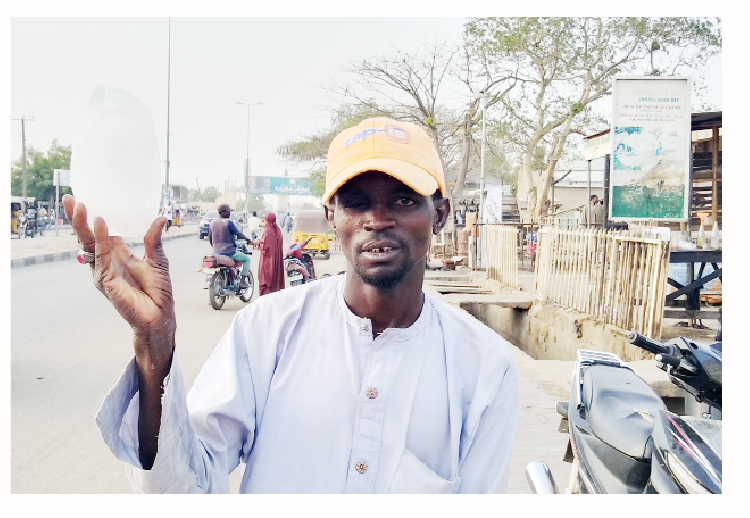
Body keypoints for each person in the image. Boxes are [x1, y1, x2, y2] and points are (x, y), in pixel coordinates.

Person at [61, 116, 519, 494]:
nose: (377, 220)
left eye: (402, 199)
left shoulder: (485, 366)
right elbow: (183, 489)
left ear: (440, 212)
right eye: (356, 202)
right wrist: (153, 342)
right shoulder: (268, 329)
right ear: (331, 217)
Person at [208, 204, 252, 288]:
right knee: (247, 259)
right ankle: (242, 280)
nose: (229, 214)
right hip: (229, 252)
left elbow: (210, 239)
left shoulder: (212, 223)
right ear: (223, 212)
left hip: (216, 252)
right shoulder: (228, 222)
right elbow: (238, 234)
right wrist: (248, 240)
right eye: (228, 212)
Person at [253, 212, 285, 295]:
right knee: (274, 282)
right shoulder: (277, 230)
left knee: (265, 281)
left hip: (267, 261)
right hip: (276, 260)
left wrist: (257, 243)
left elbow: (265, 247)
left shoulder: (267, 230)